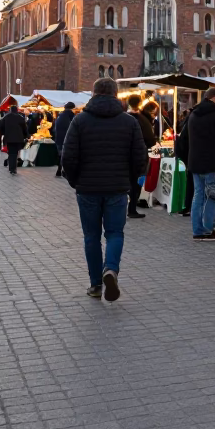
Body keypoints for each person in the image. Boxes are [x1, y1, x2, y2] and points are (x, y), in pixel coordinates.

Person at [61, 77, 148, 302]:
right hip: (117, 187)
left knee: (91, 236)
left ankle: (95, 284)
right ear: (115, 94)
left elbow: (68, 157)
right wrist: (129, 180)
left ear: (93, 93)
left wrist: (75, 181)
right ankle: (110, 269)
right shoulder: (129, 122)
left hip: (87, 188)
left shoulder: (80, 121)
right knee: (115, 233)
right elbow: (140, 157)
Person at [175, 86, 215, 240]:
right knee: (213, 195)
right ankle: (208, 229)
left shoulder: (193, 114)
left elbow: (183, 139)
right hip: (213, 162)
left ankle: (198, 230)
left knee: (199, 196)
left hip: (195, 162)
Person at [126, 96, 156, 219]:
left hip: (124, 156)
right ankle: (132, 208)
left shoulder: (122, 118)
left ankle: (126, 207)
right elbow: (151, 140)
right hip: (139, 155)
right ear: (140, 103)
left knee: (127, 182)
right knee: (136, 183)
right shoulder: (142, 119)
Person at [0, 106, 29, 175]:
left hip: (9, 138)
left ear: (10, 110)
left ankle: (12, 168)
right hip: (18, 138)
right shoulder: (20, 118)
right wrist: (26, 136)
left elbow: (1, 127)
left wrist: (4, 133)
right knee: (15, 153)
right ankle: (13, 169)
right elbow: (24, 128)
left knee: (11, 153)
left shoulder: (6, 117)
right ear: (17, 110)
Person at [51, 102, 76, 177]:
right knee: (67, 156)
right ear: (72, 108)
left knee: (61, 155)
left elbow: (54, 129)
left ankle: (60, 170)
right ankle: (64, 171)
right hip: (67, 138)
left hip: (59, 138)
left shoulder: (60, 115)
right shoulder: (71, 115)